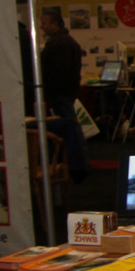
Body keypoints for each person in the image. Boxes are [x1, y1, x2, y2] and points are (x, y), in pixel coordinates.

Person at [38, 10, 89, 173]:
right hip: (64, 90)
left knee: (71, 126)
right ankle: (77, 160)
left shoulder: (60, 43)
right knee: (71, 125)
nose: (42, 27)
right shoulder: (64, 41)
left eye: (45, 23)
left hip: (60, 91)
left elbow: (60, 70)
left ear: (55, 23)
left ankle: (79, 162)